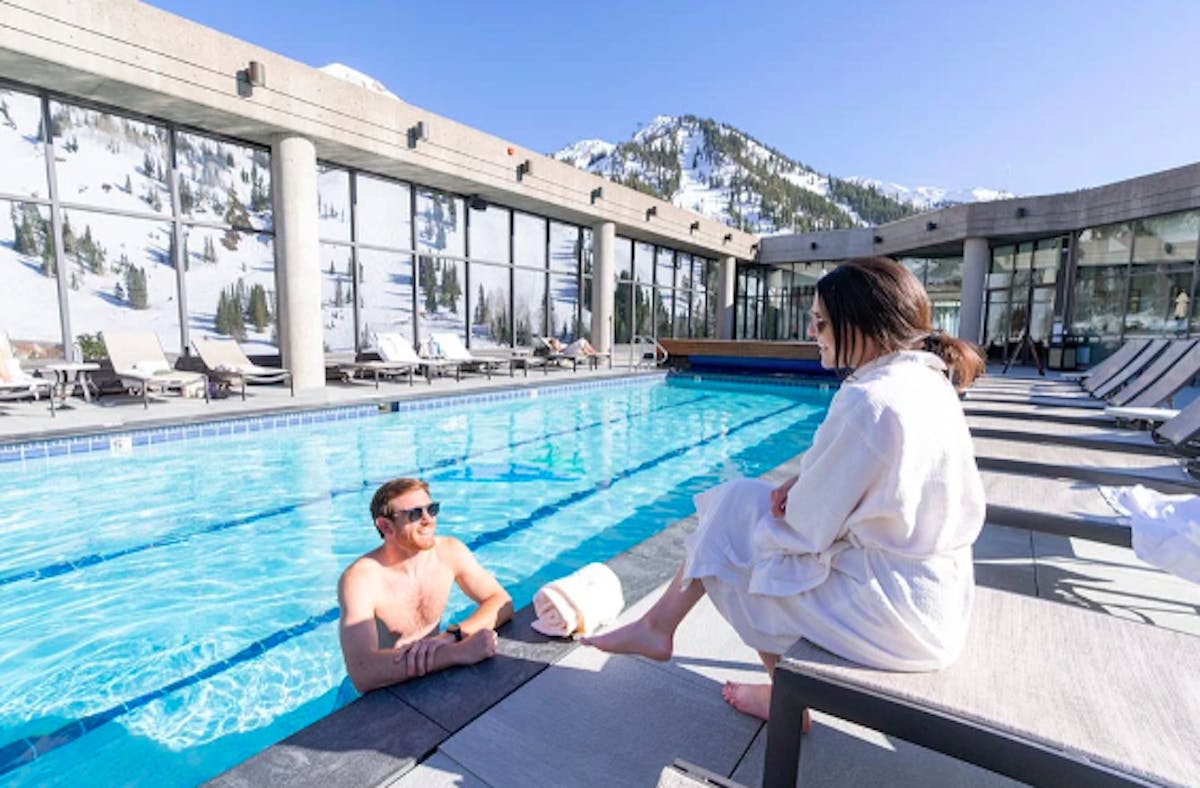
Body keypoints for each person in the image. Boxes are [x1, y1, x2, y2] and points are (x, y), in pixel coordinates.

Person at [582, 256, 986, 722]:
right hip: (937, 600)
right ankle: (659, 626)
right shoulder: (925, 380)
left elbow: (806, 530)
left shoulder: (869, 401)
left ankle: (777, 696)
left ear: (861, 325)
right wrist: (795, 488)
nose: (812, 334)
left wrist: (734, 546)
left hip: (894, 617)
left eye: (820, 323)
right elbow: (887, 482)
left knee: (735, 549)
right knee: (736, 504)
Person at [338, 478, 513, 693]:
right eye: (414, 514)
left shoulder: (449, 551)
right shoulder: (361, 579)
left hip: (433, 674)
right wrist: (457, 653)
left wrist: (453, 636)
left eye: (432, 509)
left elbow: (500, 600)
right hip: (385, 689)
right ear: (385, 526)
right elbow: (362, 672)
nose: (428, 520)